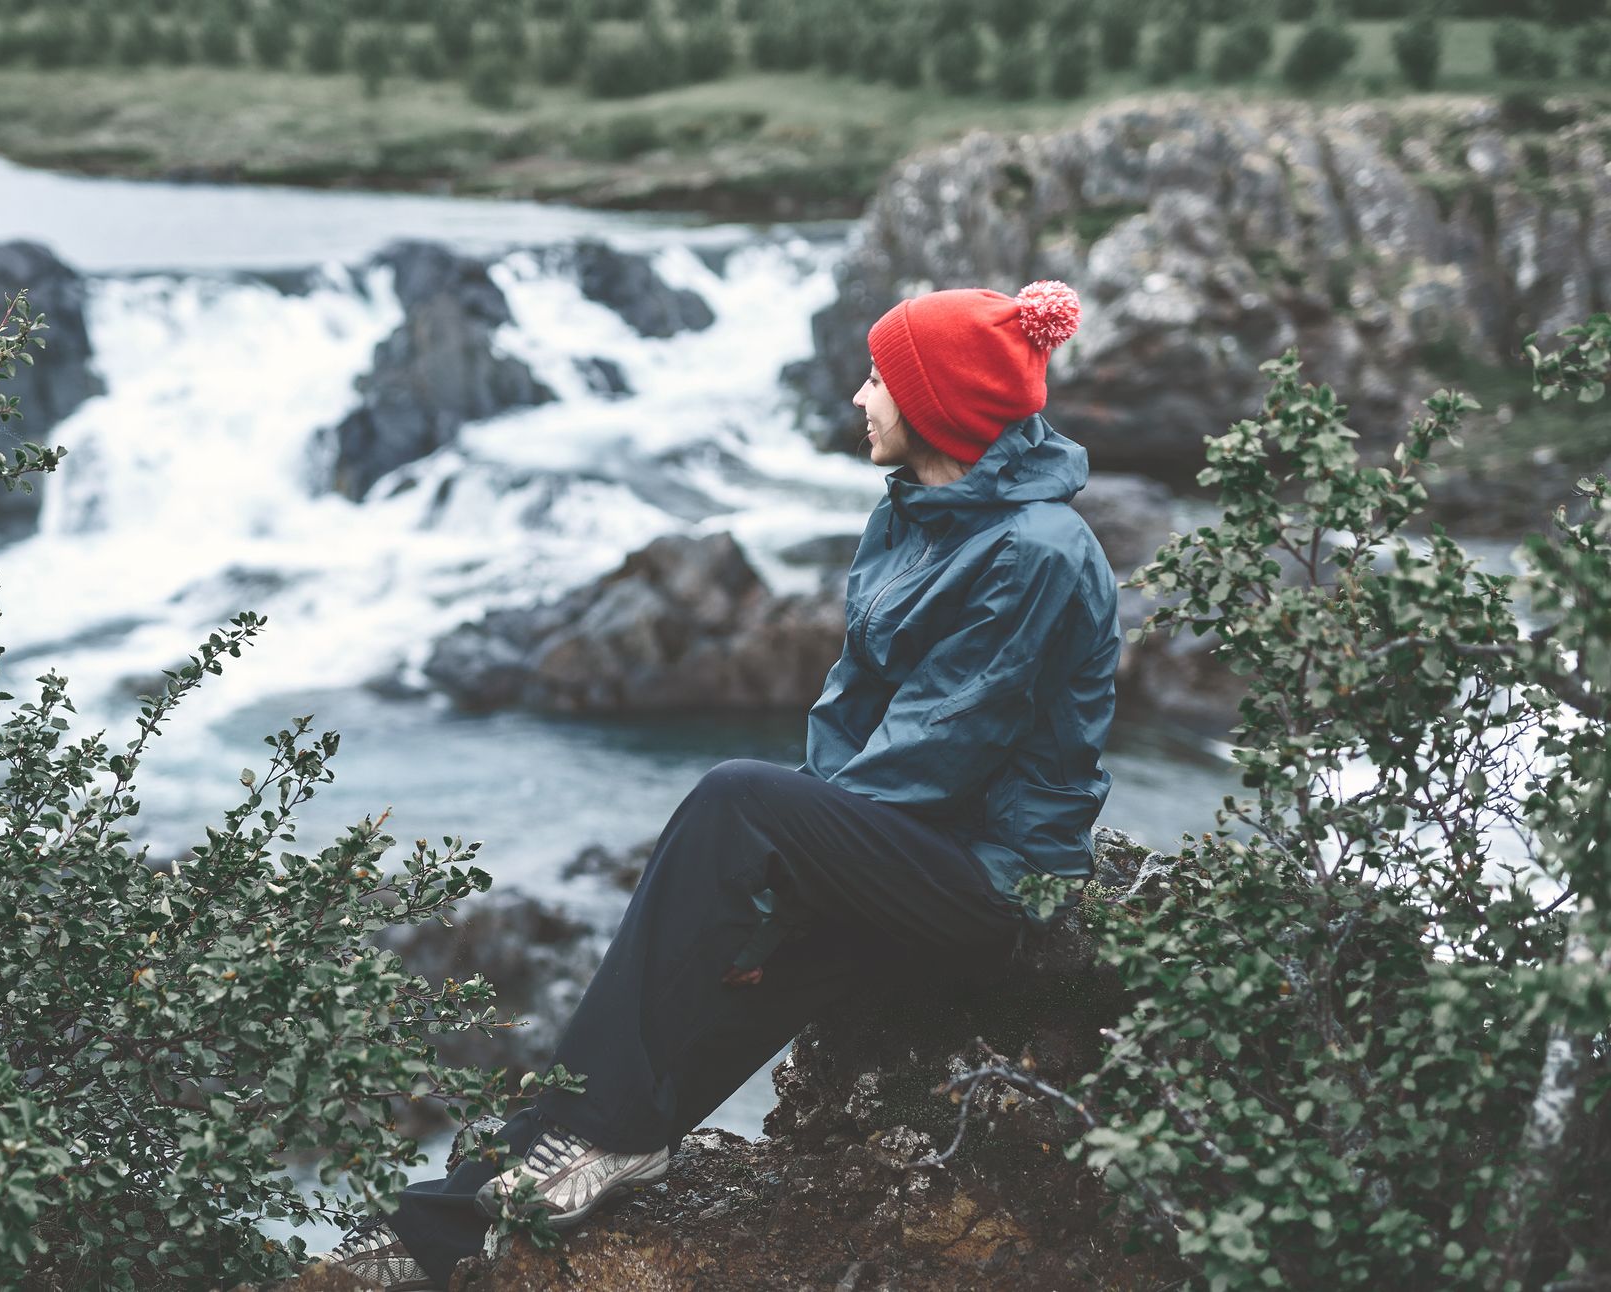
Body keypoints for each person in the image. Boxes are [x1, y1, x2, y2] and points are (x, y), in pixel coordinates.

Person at [315, 280, 1118, 1292]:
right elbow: (849, 713)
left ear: (940, 402)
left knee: (734, 803)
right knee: (710, 960)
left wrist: (792, 875)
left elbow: (936, 749)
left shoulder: (1033, 553)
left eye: (878, 376)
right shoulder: (911, 512)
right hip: (914, 852)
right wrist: (806, 862)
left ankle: (594, 1130)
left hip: (993, 882)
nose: (858, 395)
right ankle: (461, 1214)